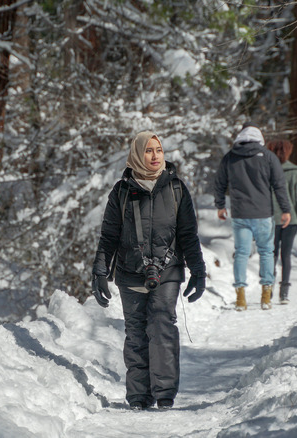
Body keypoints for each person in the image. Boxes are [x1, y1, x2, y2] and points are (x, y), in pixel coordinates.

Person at [91, 131, 206, 411]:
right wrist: (100, 271)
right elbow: (109, 236)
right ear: (136, 154)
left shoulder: (177, 189)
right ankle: (139, 396)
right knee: (136, 333)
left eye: (159, 150)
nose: (155, 156)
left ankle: (165, 392)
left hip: (167, 272)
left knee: (162, 326)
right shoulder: (121, 191)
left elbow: (188, 234)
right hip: (130, 272)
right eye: (148, 151)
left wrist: (198, 270)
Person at [214, 123, 292, 311]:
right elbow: (279, 185)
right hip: (263, 213)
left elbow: (219, 182)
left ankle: (240, 297)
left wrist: (220, 206)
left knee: (241, 253)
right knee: (266, 252)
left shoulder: (230, 157)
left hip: (240, 213)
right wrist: (285, 209)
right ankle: (266, 296)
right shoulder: (268, 157)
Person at [266, 138, 297, 305]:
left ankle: (268, 290)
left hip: (270, 219)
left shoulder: (265, 169)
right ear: (289, 151)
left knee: (270, 254)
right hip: (290, 220)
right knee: (286, 255)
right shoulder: (295, 171)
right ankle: (284, 293)